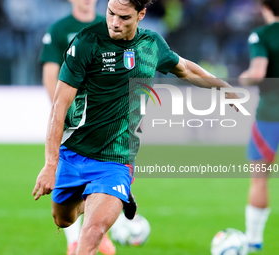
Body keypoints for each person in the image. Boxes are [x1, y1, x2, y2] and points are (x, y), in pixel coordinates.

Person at [33, 0, 240, 254]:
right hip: (75, 151)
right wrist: (50, 165)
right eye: (110, 13)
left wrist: (223, 88)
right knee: (62, 219)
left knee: (91, 234)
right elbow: (59, 105)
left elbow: (185, 69)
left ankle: (110, 194)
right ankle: (106, 198)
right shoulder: (87, 41)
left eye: (124, 17)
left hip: (117, 159)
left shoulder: (151, 44)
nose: (114, 22)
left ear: (141, 14)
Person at [39, 1, 116, 254]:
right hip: (73, 119)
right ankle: (79, 237)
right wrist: (62, 113)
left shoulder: (112, 27)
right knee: (70, 178)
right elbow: (51, 72)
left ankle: (87, 235)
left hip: (105, 120)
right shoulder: (60, 29)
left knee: (108, 168)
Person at [238, 0, 279, 251]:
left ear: (264, 6)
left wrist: (241, 78)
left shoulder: (261, 35)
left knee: (260, 179)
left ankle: (253, 240)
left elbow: (257, 74)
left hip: (270, 114)